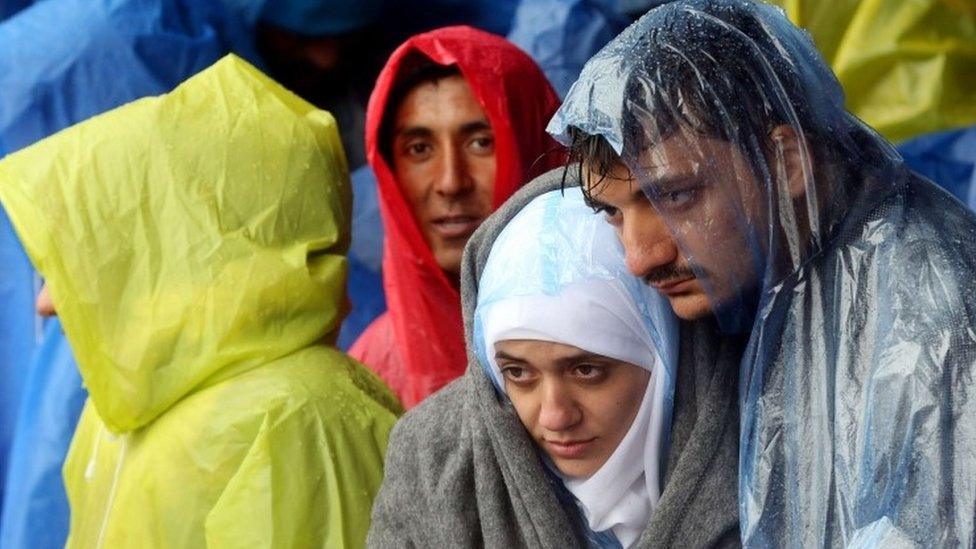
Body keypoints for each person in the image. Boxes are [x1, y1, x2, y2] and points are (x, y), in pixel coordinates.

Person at [547, 0, 976, 545]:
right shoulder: (777, 284)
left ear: (786, 161)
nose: (639, 257)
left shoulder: (931, 325)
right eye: (611, 211)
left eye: (676, 196)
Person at [0, 55, 401, 546]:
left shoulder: (300, 416)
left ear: (167, 247)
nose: (45, 303)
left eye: (90, 260)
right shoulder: (126, 411)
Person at [368, 182, 683, 548]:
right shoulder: (436, 464)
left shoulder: (754, 454)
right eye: (518, 373)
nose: (555, 416)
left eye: (586, 371)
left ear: (661, 355)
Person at [349, 26, 563, 408]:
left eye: (481, 142)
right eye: (419, 149)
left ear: (537, 147)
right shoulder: (372, 372)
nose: (451, 182)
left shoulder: (625, 324)